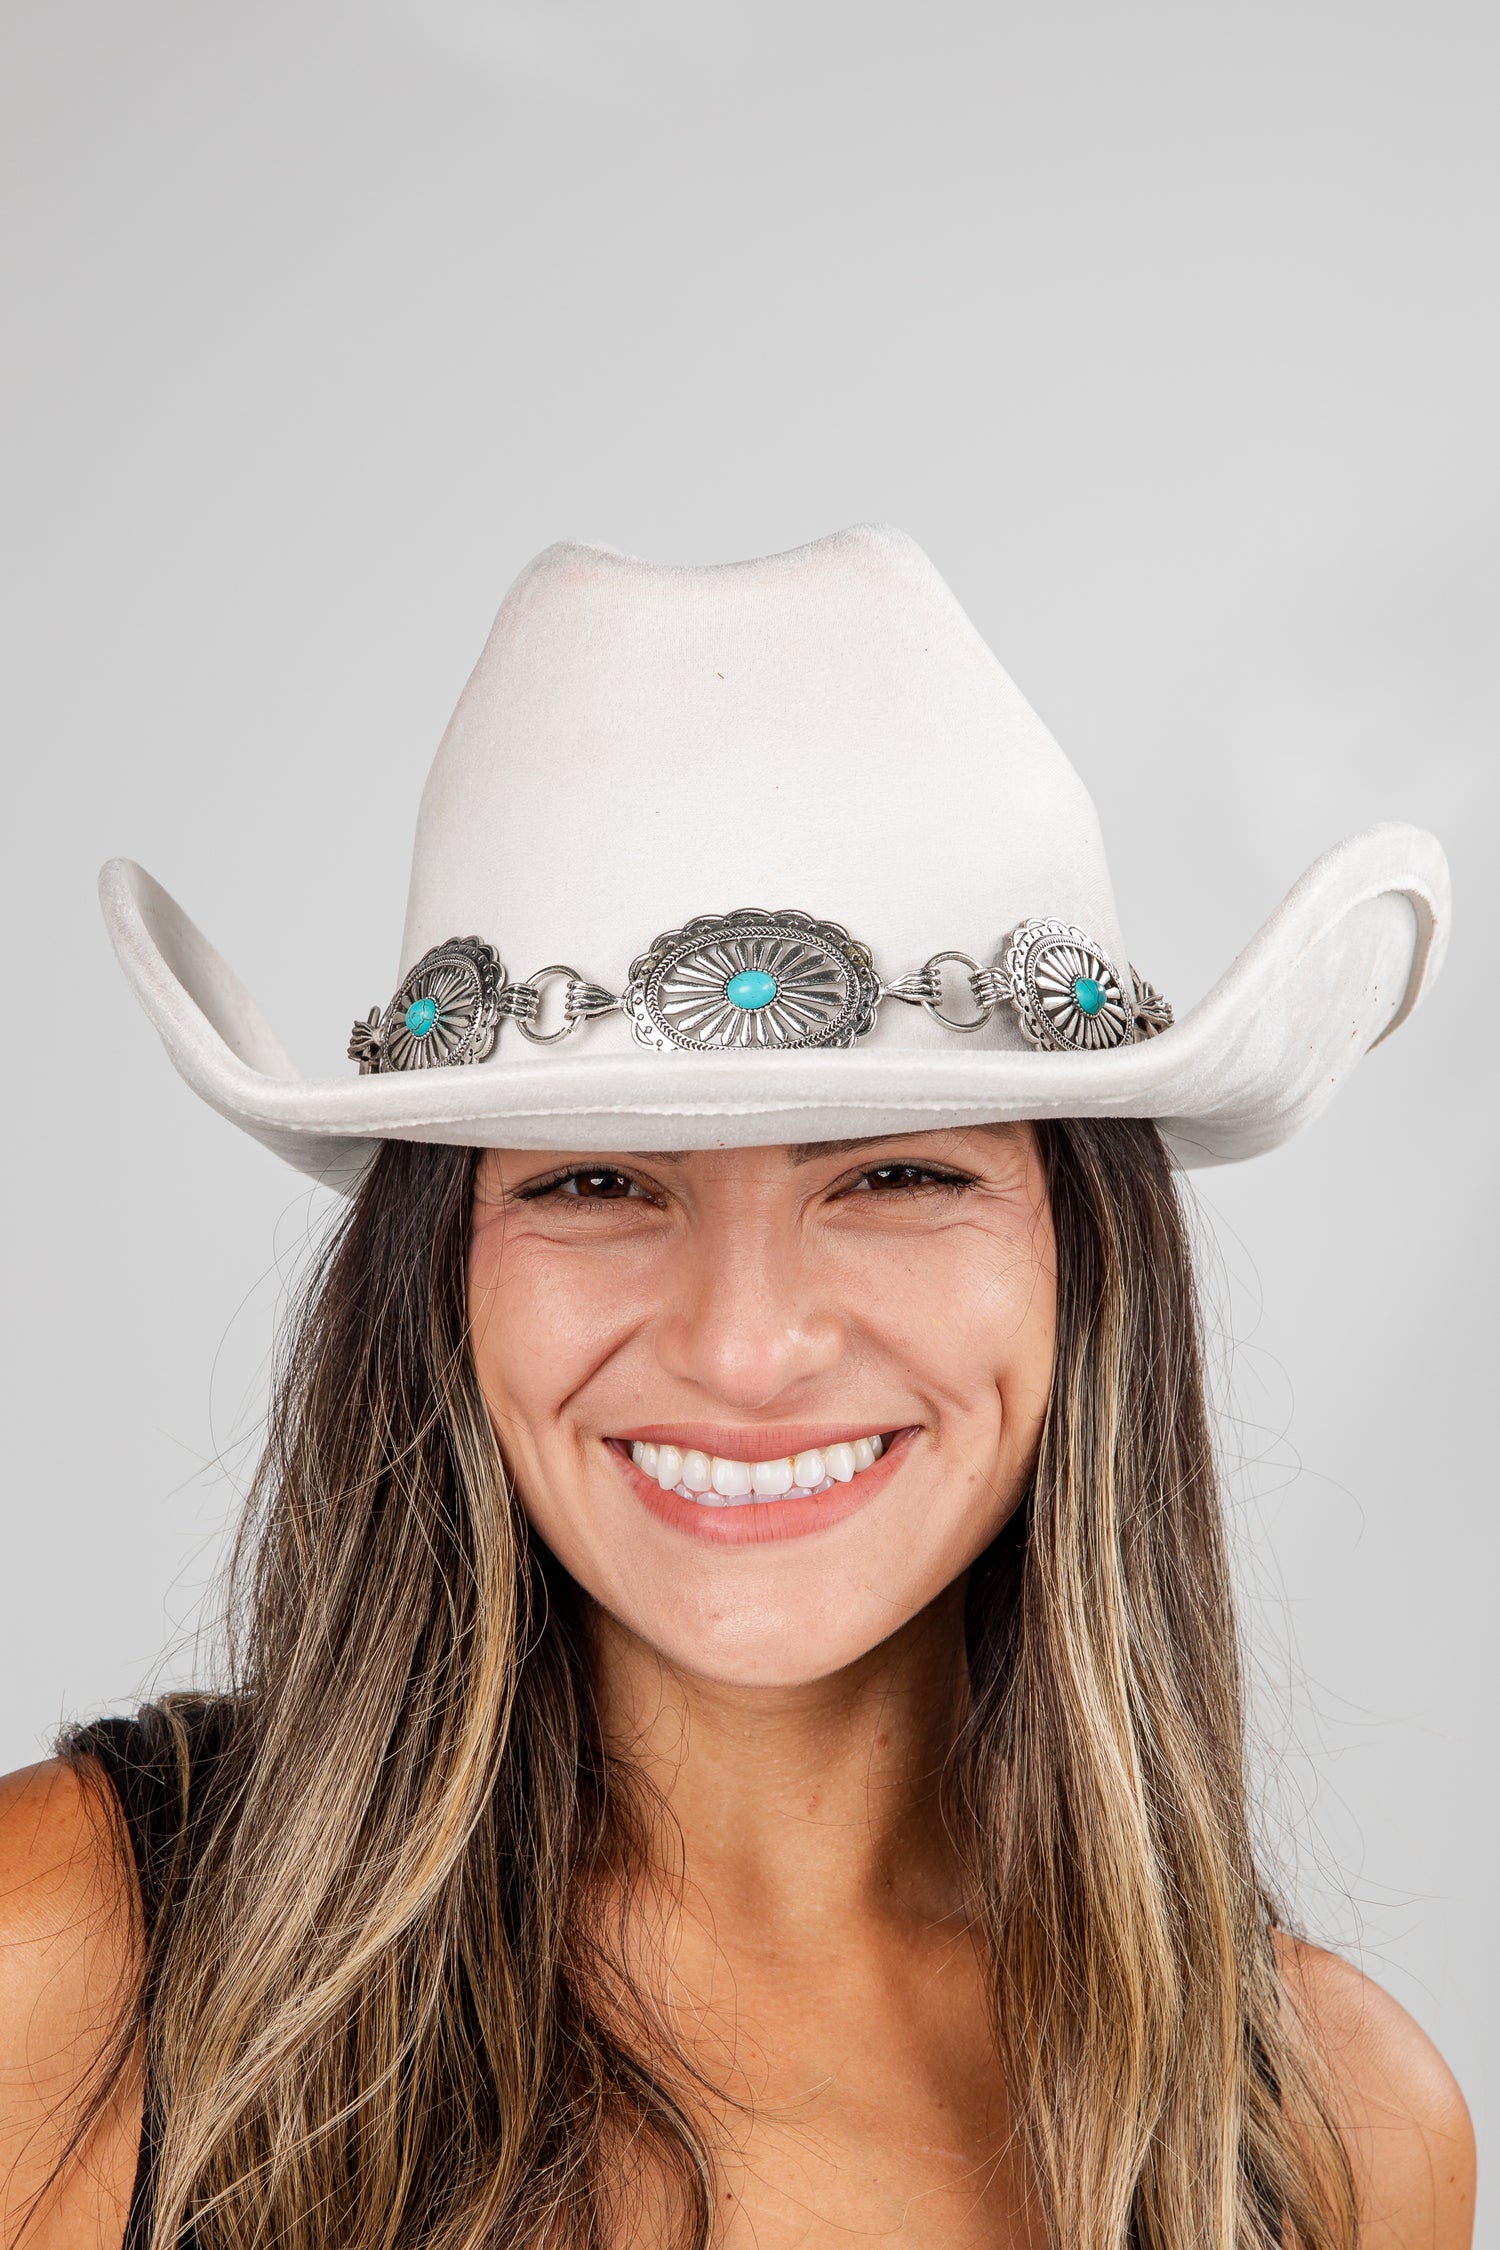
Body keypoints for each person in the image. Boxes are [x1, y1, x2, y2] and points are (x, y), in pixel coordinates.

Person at [0, 527, 1474, 2249]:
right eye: (594, 1180)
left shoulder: (1326, 2134)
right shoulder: (66, 1959)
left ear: (1088, 1257)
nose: (746, 1344)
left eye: (898, 1175)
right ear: (435, 1273)